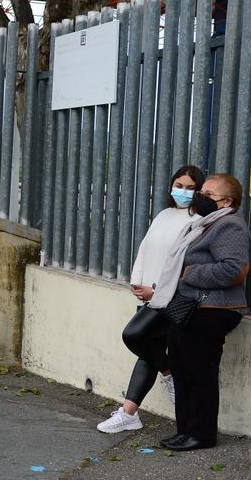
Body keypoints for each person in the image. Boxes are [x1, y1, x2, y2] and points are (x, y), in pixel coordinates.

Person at [96, 165, 205, 434]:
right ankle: (129, 413)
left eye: (190, 188)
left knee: (133, 336)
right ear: (171, 186)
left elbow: (186, 264)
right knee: (148, 350)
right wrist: (138, 281)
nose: (183, 191)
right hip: (147, 294)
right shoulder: (164, 215)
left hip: (169, 297)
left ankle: (169, 374)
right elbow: (146, 247)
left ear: (199, 191)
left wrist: (156, 291)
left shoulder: (198, 221)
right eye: (179, 185)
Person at [153, 174, 251, 452]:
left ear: (227, 202)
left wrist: (189, 273)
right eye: (203, 192)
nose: (200, 197)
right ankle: (185, 431)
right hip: (191, 307)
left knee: (200, 373)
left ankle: (202, 434)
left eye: (208, 195)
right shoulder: (205, 224)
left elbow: (234, 269)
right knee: (182, 368)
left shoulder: (229, 225)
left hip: (213, 309)